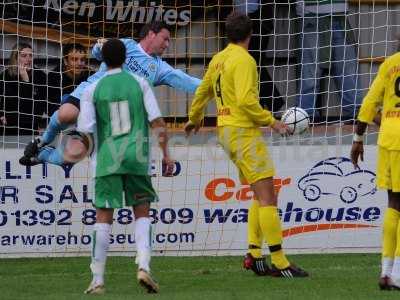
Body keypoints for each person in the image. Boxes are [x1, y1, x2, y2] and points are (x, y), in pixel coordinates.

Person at [184, 12, 308, 278]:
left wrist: (194, 119)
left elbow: (203, 91)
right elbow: (246, 101)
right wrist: (272, 121)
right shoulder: (245, 60)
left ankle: (254, 254)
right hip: (243, 132)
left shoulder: (218, 59)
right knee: (268, 197)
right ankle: (280, 261)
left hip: (226, 132)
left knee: (259, 194)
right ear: (251, 35)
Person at [20, 21, 201, 166]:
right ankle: (42, 141)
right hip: (90, 94)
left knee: (69, 156)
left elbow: (185, 79)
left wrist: (212, 85)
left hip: (108, 117)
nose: (167, 44)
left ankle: (42, 156)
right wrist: (99, 47)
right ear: (151, 34)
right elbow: (98, 53)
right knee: (66, 114)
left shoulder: (160, 68)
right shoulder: (126, 45)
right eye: (165, 39)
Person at [77, 39, 174, 295]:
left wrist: (87, 153)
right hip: (138, 157)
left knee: (103, 218)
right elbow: (157, 121)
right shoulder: (139, 83)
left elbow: (85, 132)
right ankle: (143, 266)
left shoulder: (92, 89)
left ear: (103, 60)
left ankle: (97, 280)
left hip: (107, 159)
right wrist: (166, 154)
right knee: (142, 213)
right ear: (125, 57)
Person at [350, 52, 400, 290]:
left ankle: (385, 271)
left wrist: (358, 137)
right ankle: (397, 275)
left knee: (393, 203)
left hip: (388, 138)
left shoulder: (390, 64)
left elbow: (369, 103)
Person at [295, 0, 362, 122]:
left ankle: (357, 118)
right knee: (310, 76)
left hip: (339, 17)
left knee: (349, 75)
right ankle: (304, 119)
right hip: (312, 16)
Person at [234, 0, 285, 113]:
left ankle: (269, 103)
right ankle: (269, 103)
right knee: (251, 63)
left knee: (253, 62)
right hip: (237, 20)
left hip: (256, 19)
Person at [0, 42, 50, 136]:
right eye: (24, 56)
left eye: (31, 55)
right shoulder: (4, 76)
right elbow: (10, 104)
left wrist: (26, 81)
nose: (28, 59)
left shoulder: (40, 76)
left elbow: (35, 108)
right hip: (7, 126)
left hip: (30, 126)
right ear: (15, 58)